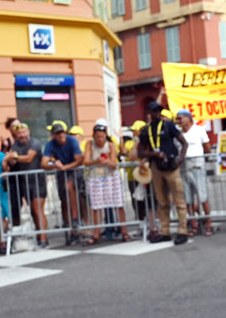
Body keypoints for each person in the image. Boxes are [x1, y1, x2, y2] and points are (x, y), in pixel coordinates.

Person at [137, 102, 189, 244]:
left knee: (179, 199)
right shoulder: (146, 130)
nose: (156, 113)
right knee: (161, 201)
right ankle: (165, 231)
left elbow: (184, 143)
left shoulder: (168, 126)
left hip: (171, 166)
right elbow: (139, 152)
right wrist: (153, 153)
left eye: (158, 111)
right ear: (149, 113)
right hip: (156, 167)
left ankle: (183, 231)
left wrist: (180, 160)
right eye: (154, 111)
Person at [82, 118, 130, 244]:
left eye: (102, 137)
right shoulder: (89, 145)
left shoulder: (110, 145)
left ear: (105, 136)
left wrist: (107, 161)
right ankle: (96, 233)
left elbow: (114, 163)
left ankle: (124, 231)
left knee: (118, 204)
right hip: (95, 177)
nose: (100, 140)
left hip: (110, 176)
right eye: (97, 137)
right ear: (94, 136)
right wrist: (96, 161)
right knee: (96, 207)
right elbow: (86, 162)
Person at [6, 122, 49, 248]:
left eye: (24, 132)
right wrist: (9, 158)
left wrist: (13, 156)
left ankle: (43, 239)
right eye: (19, 133)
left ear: (28, 131)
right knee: (32, 211)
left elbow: (29, 158)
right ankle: (39, 236)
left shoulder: (34, 143)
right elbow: (12, 162)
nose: (22, 135)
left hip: (37, 180)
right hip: (23, 181)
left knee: (37, 209)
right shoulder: (15, 145)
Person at [41, 121, 84, 243]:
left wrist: (66, 167)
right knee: (64, 201)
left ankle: (75, 218)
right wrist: (54, 164)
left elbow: (79, 160)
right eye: (57, 133)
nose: (61, 135)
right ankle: (69, 227)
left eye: (62, 133)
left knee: (70, 186)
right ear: (54, 135)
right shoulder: (51, 144)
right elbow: (44, 163)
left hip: (74, 170)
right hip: (61, 172)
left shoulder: (72, 141)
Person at [177, 109, 213, 236]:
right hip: (184, 168)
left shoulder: (199, 130)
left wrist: (205, 159)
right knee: (188, 198)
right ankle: (194, 225)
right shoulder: (179, 133)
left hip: (197, 166)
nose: (178, 121)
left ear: (188, 118)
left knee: (202, 197)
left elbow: (207, 147)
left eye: (180, 118)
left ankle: (208, 223)